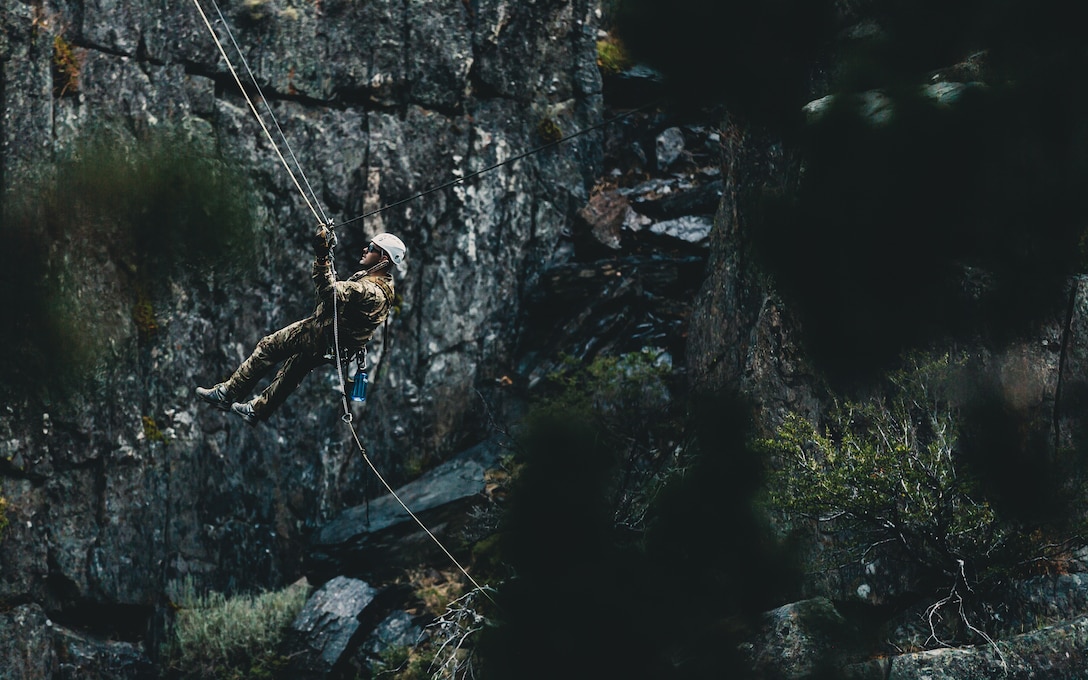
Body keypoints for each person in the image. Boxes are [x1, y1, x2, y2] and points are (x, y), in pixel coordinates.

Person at [196, 228, 405, 424]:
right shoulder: (383, 284)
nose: (364, 250)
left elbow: (329, 292)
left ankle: (227, 393)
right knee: (292, 371)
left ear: (383, 258)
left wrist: (322, 257)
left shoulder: (369, 291)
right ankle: (256, 411)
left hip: (319, 334)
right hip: (333, 344)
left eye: (370, 249)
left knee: (268, 347)